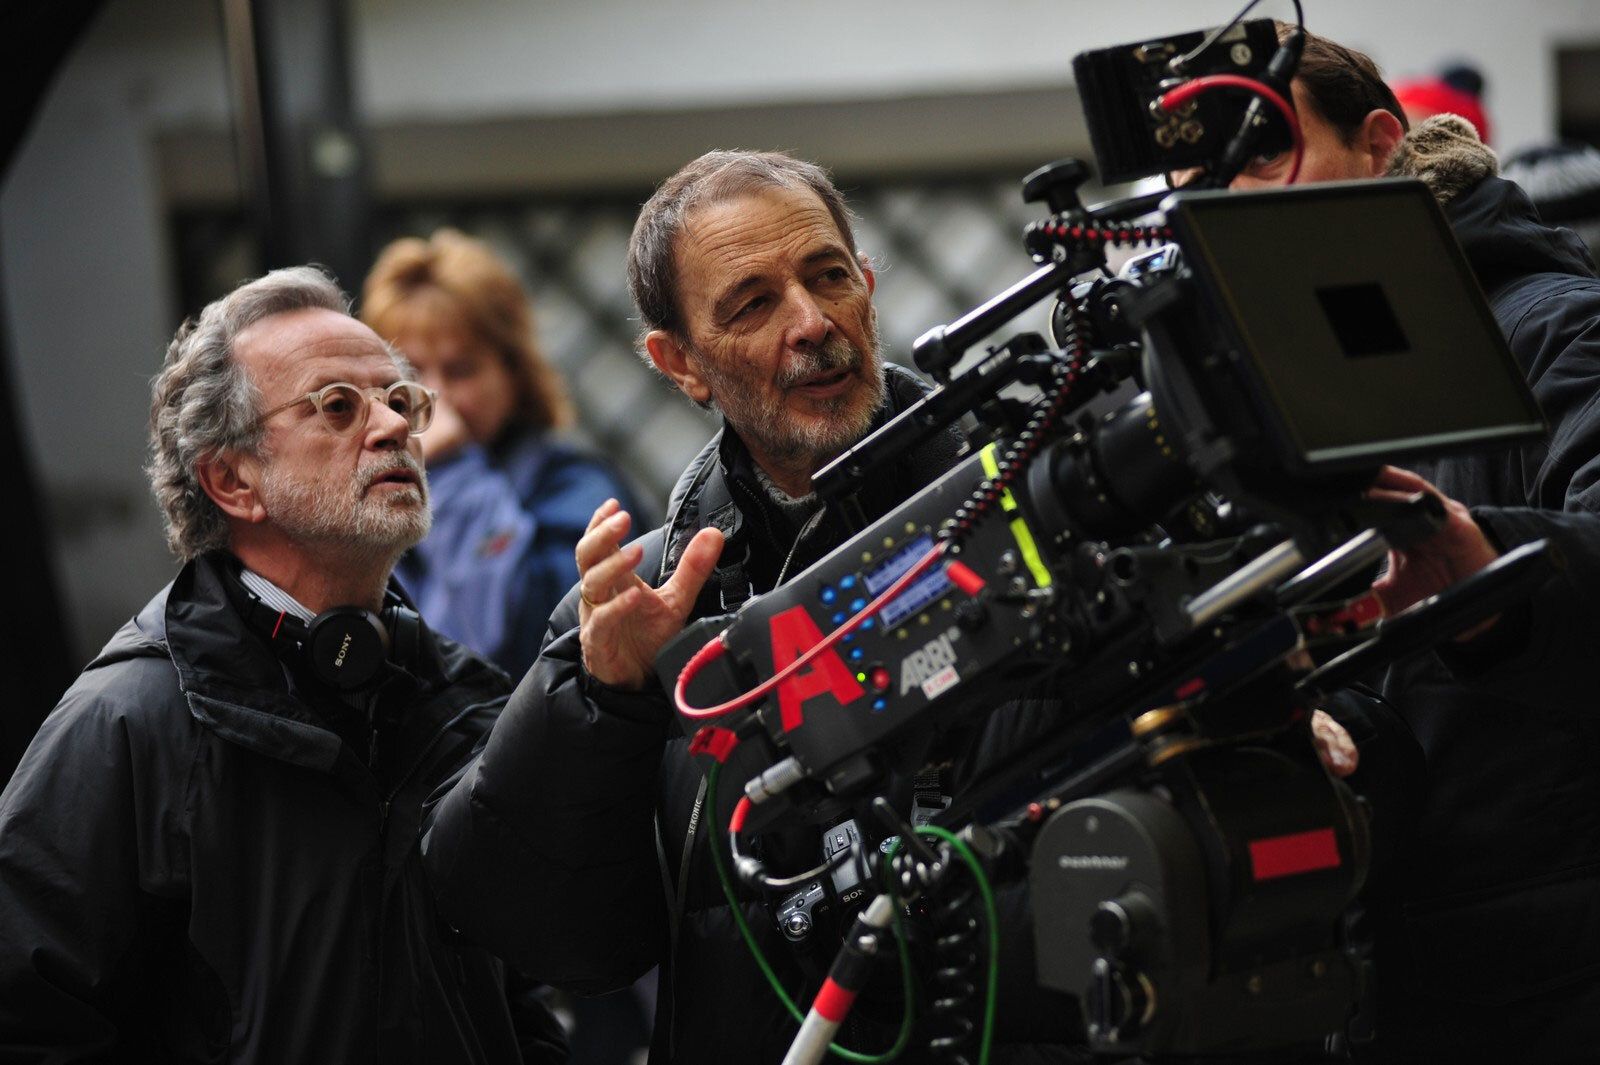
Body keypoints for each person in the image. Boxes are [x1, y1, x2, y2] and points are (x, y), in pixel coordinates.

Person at [423, 150, 1364, 1063]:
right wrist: (602, 696)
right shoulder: (645, 604)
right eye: (753, 303)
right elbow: (556, 934)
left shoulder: (1063, 498)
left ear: (868, 284)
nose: (812, 322)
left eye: (828, 277)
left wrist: (1279, 712)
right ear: (679, 363)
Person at [0, 267, 566, 1064]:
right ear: (233, 480)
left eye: (400, 400)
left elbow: (518, 996)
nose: (393, 426)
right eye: (338, 405)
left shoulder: (467, 698)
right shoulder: (126, 718)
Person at [1211, 27, 1600, 1062]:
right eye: (1203, 172)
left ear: (1379, 141)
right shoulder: (1264, 394)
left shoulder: (1553, 326)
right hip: (1364, 983)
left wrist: (1491, 571)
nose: (1232, 195)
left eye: (1261, 149)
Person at [361, 229, 648, 680]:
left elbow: (514, 649)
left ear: (513, 373)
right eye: (409, 373)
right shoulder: (371, 499)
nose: (433, 397)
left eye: (461, 370)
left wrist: (452, 472)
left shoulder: (579, 489)